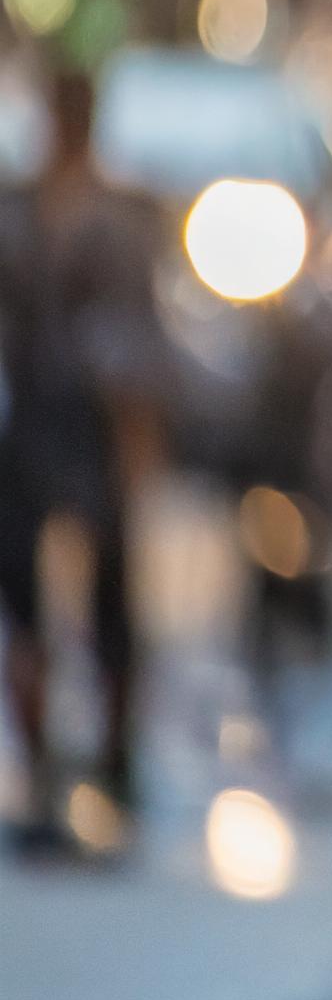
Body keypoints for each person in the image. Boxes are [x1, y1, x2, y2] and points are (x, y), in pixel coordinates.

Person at [0, 65, 166, 855]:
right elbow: (135, 344)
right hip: (62, 421)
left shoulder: (32, 212)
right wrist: (140, 452)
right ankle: (86, 762)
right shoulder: (84, 214)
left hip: (54, 421)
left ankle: (93, 760)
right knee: (63, 607)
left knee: (86, 606)